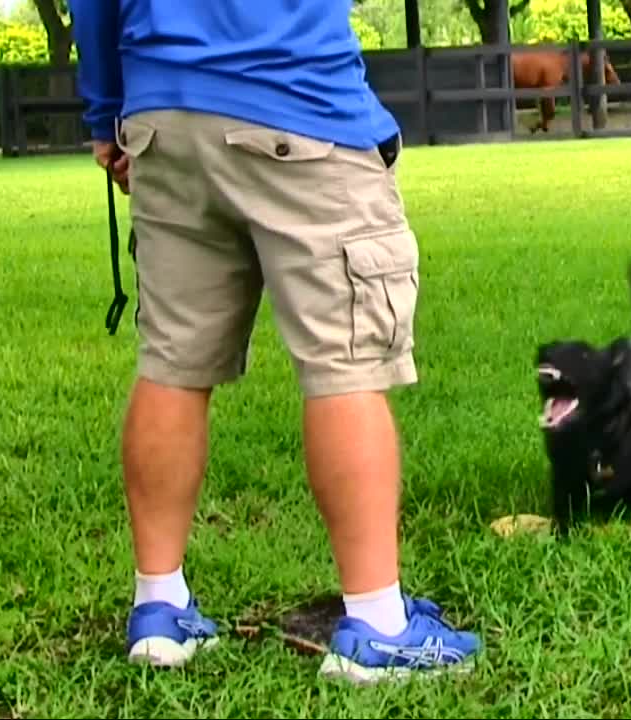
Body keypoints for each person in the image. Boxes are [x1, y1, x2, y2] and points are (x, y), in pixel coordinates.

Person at [68, 0, 480, 684]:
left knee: (171, 362)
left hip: (162, 117)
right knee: (345, 362)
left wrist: (108, 113)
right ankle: (379, 626)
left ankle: (159, 611)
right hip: (297, 99)